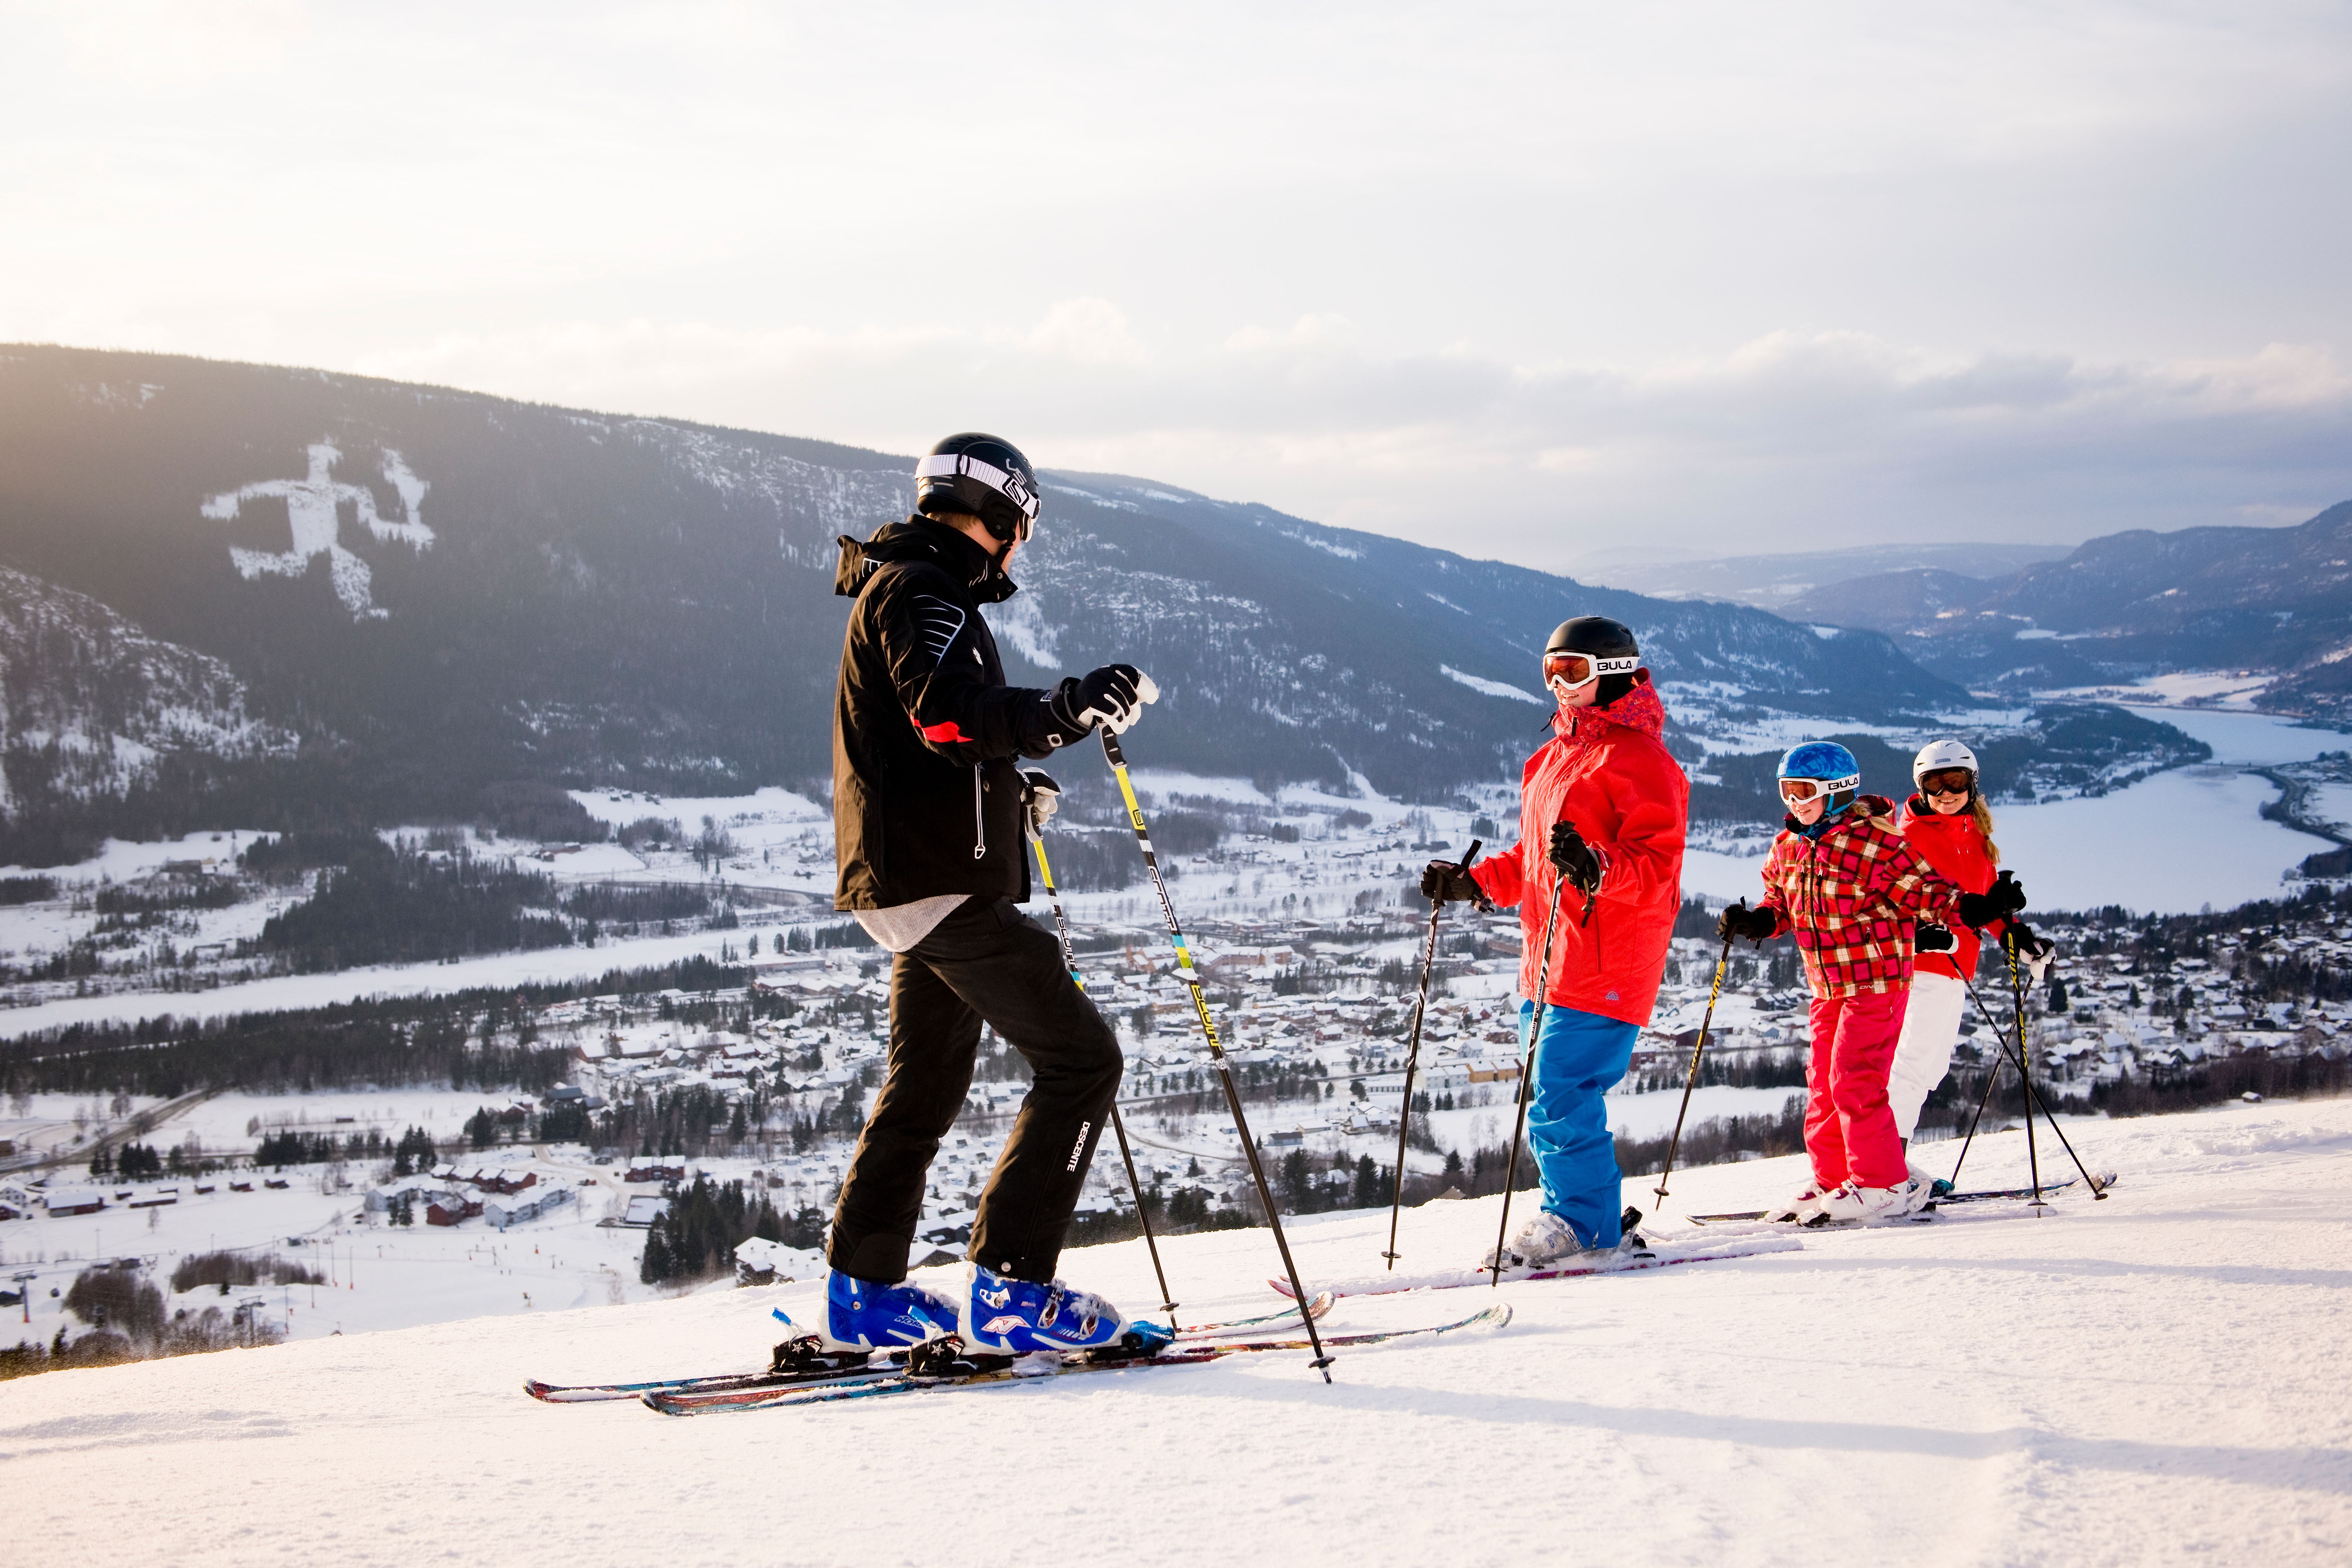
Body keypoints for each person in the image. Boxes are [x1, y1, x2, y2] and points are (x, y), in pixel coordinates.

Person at [821, 431, 1169, 1358]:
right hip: (938, 885)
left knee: (926, 1082)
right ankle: (1014, 1289)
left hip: (913, 881)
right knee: (1083, 1060)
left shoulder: (907, 584)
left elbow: (925, 741)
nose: (1023, 548)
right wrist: (1060, 712)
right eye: (1026, 527)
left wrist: (1009, 790)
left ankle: (864, 1294)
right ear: (1008, 515)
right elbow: (944, 715)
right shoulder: (922, 590)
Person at [1421, 616, 1688, 1265]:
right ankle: (1578, 1212)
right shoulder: (1551, 757)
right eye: (1549, 669)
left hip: (1606, 959)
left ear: (1612, 671)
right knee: (1549, 1094)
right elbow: (1536, 862)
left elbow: (1656, 867)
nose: (1557, 682)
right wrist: (1474, 883)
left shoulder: (1642, 761)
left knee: (1562, 1093)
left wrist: (1599, 865)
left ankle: (1581, 1225)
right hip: (1548, 957)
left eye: (1571, 669)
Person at [1717, 741, 2025, 1223]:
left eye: (1805, 792)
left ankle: (1881, 1185)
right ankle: (1834, 1178)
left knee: (1855, 1081)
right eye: (1787, 792)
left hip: (1876, 981)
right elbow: (1780, 902)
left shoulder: (1876, 843)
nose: (1795, 803)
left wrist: (1981, 908)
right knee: (1822, 1085)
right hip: (1827, 985)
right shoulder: (1789, 846)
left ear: (1837, 791)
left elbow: (1929, 893)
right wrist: (1759, 921)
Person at [1890, 739, 2049, 1165]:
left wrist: (2016, 934)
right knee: (1909, 1066)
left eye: (1954, 781)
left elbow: (1983, 903)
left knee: (1930, 1068)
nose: (1945, 793)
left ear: (1972, 782)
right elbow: (1887, 902)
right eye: (1934, 784)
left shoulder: (1973, 833)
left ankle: (1890, 1165)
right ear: (1920, 788)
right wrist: (1918, 935)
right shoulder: (1909, 838)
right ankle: (1884, 1171)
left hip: (1957, 968)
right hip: (1919, 967)